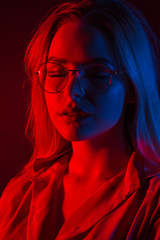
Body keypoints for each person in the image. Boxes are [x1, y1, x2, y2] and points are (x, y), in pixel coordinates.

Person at [0, 0, 160, 239]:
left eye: (96, 73)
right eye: (56, 72)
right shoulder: (20, 192)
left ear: (133, 87)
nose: (71, 91)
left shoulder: (152, 201)